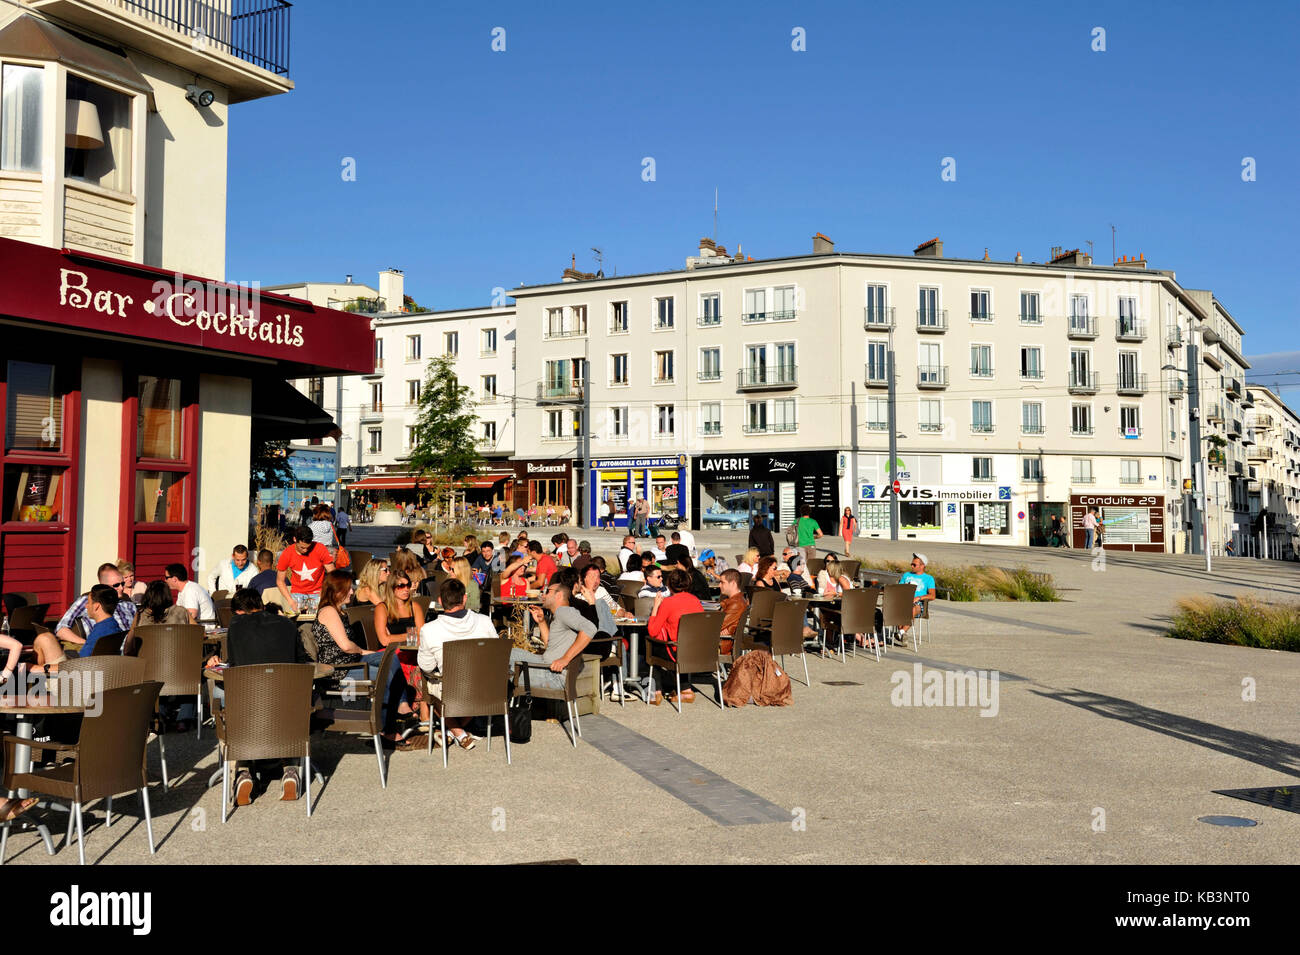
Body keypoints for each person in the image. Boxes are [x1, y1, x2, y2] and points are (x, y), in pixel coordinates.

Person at [207, 588, 313, 803]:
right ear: (262, 606)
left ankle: (243, 769)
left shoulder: (236, 626)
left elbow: (236, 666)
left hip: (248, 703)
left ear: (238, 612)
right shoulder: (287, 624)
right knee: (284, 704)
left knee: (219, 691)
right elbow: (302, 661)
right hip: (285, 702)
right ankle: (290, 767)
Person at [417, 577, 498, 750]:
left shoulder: (429, 629)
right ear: (465, 598)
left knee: (425, 680)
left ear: (440, 601)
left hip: (453, 691)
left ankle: (455, 730)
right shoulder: (485, 621)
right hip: (486, 690)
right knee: (469, 685)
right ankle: (457, 730)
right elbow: (495, 654)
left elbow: (427, 667)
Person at [515, 581, 593, 694]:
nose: (543, 595)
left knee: (504, 663)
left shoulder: (564, 611)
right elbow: (550, 645)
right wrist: (541, 622)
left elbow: (590, 628)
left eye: (547, 591)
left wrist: (565, 659)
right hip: (547, 668)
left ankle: (495, 705)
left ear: (559, 595)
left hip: (553, 676)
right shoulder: (560, 614)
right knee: (511, 653)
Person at [645, 569, 705, 705]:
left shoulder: (668, 602)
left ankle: (656, 692)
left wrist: (656, 606)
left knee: (651, 643)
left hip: (676, 652)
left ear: (670, 585)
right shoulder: (696, 601)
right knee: (683, 642)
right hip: (696, 652)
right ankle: (686, 689)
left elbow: (652, 631)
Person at [54, 562, 137, 646]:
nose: (122, 588)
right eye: (116, 585)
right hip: (101, 652)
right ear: (103, 585)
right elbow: (61, 629)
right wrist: (87, 644)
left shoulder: (129, 605)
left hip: (130, 652)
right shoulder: (88, 601)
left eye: (122, 584)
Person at [124, 580, 190, 654]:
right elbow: (200, 634)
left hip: (147, 662)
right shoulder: (181, 611)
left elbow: (127, 649)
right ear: (168, 595)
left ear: (148, 595)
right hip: (177, 660)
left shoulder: (140, 614)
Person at [277, 526, 334, 609]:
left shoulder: (320, 548)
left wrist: (324, 591)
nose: (305, 550)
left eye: (308, 547)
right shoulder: (287, 554)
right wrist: (290, 601)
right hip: (297, 593)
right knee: (293, 616)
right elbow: (280, 581)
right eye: (302, 547)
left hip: (318, 592)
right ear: (295, 539)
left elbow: (333, 574)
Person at [897, 553, 937, 638]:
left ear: (922, 566)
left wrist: (918, 598)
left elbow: (932, 596)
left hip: (919, 604)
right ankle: (902, 633)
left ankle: (901, 632)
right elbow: (899, 588)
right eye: (911, 564)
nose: (912, 566)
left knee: (913, 608)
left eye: (914, 565)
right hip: (904, 602)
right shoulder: (906, 575)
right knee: (897, 608)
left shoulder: (929, 578)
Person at [78, 584, 124, 657]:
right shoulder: (114, 626)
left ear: (96, 606)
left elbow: (80, 660)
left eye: (88, 602)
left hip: (84, 666)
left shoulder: (99, 633)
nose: (86, 606)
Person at [717, 569, 748, 656]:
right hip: (723, 642)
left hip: (720, 645)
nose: (719, 585)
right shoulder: (737, 600)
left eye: (722, 582)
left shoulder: (736, 604)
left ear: (733, 583)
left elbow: (717, 626)